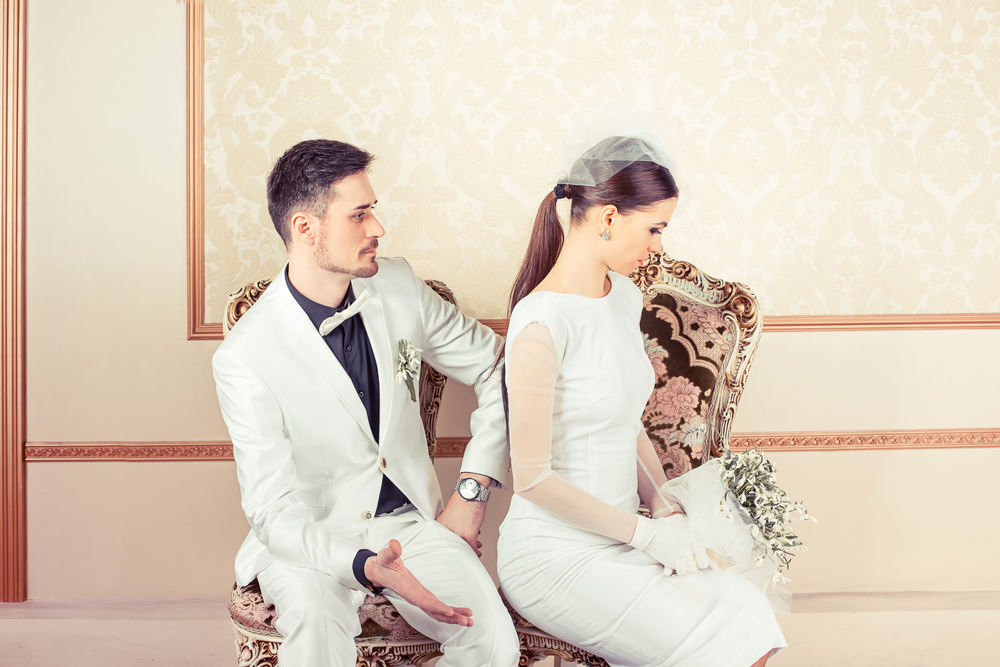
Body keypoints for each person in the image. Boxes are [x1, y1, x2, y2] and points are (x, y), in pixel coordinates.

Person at [213, 139, 520, 667]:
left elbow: (499, 366)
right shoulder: (245, 356)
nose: (377, 227)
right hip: (310, 536)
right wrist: (361, 564)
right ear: (305, 228)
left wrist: (472, 489)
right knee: (315, 633)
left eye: (372, 210)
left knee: (492, 642)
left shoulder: (398, 286)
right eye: (358, 215)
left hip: (409, 522)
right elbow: (272, 511)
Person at [496, 136, 787, 667]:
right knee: (714, 641)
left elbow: (624, 423)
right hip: (554, 556)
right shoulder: (540, 322)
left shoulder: (625, 297)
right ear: (608, 217)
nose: (658, 246)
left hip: (626, 538)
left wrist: (665, 507)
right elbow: (532, 480)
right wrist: (648, 536)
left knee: (749, 615)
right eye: (655, 228)